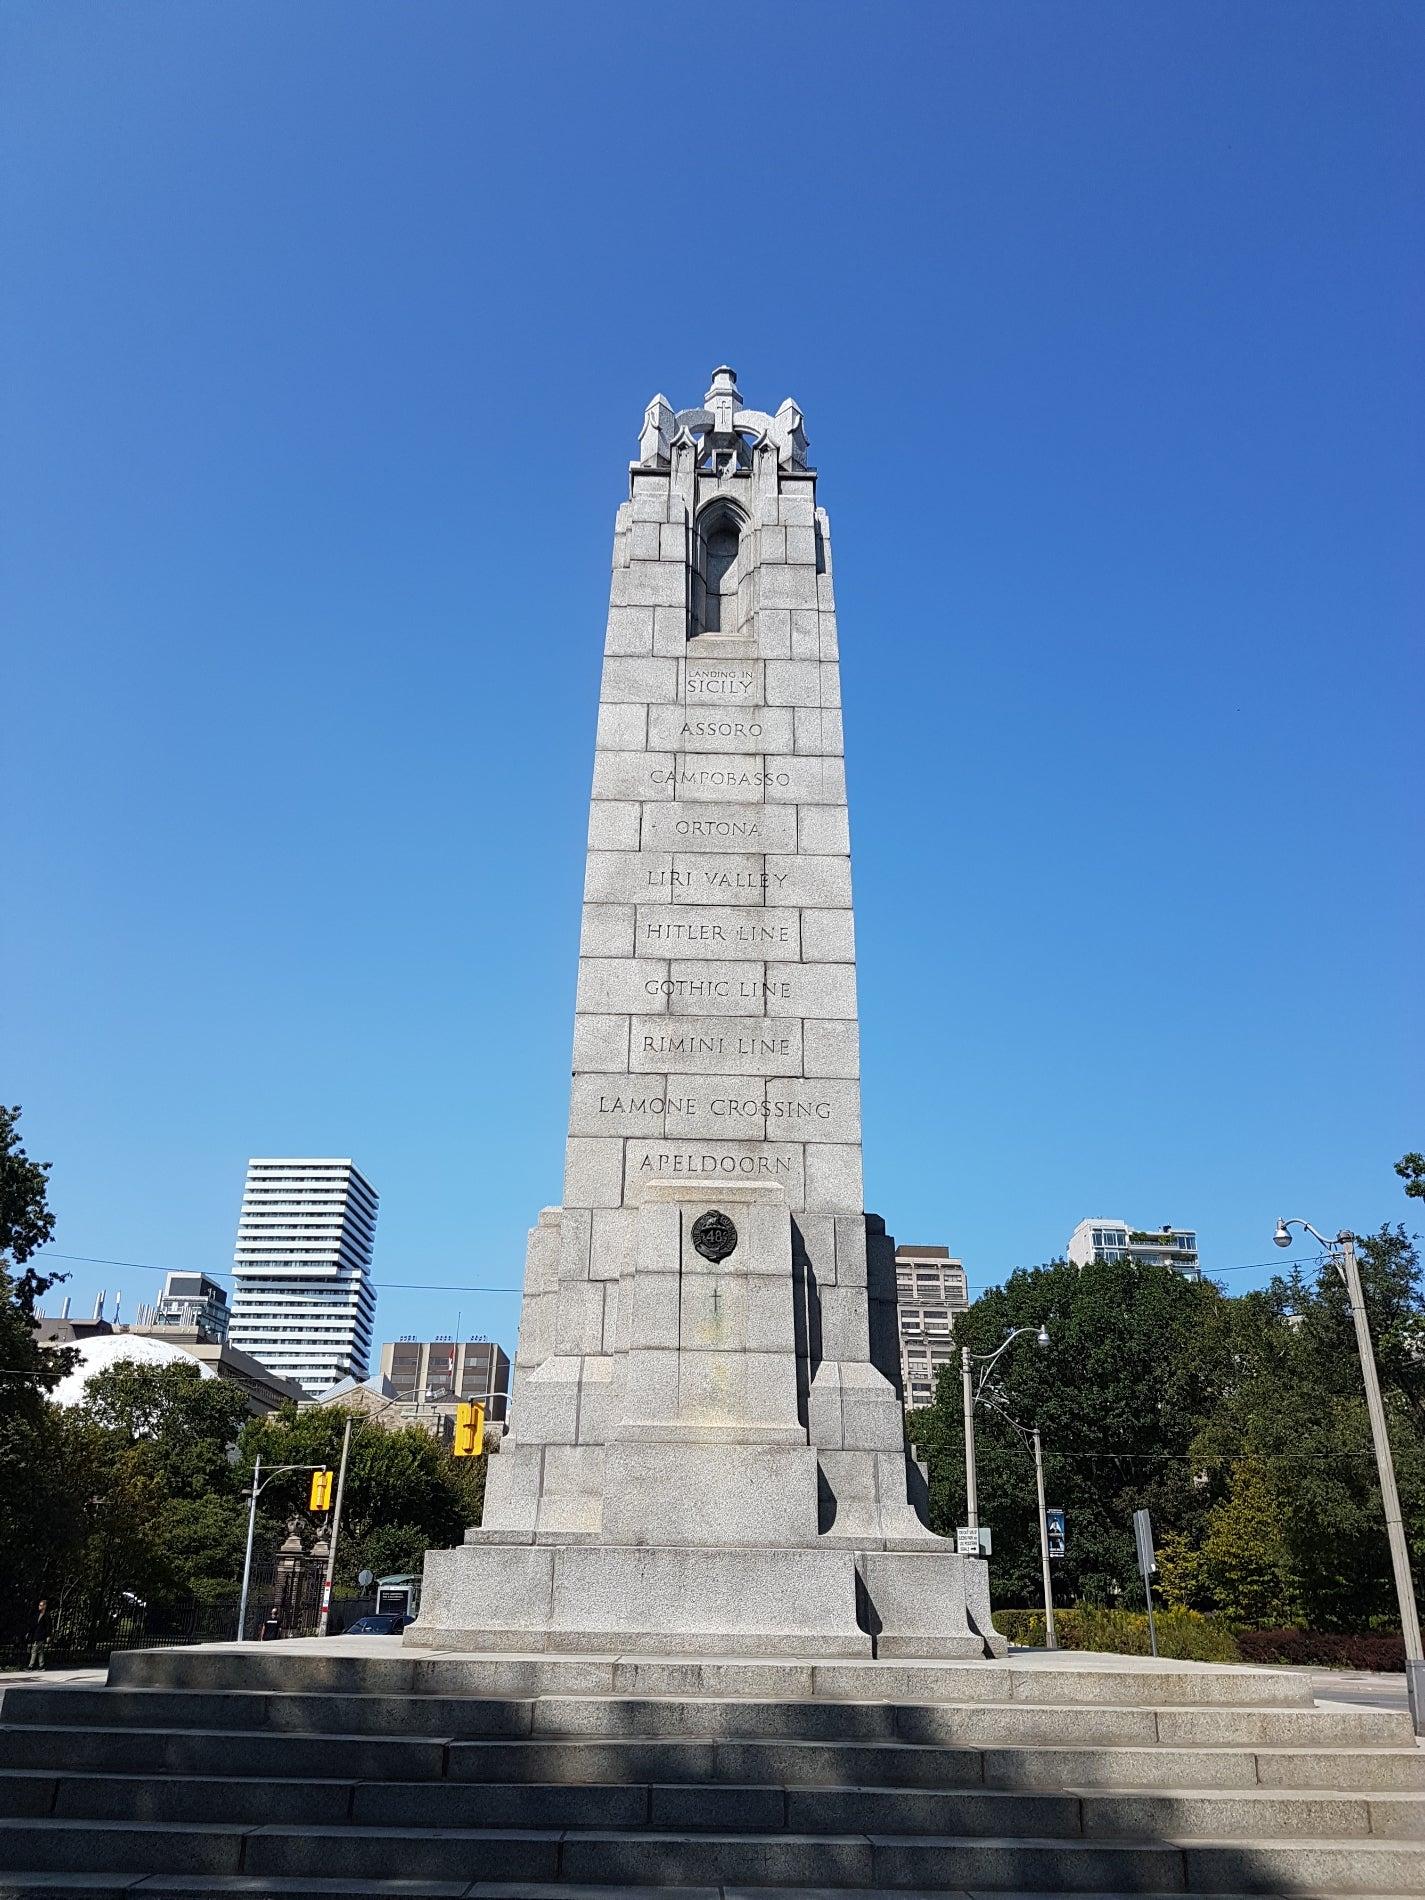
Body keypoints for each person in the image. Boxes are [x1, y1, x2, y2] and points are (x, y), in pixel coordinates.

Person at [26, 1600, 52, 1671]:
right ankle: (41, 1666)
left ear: (45, 1606)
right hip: (36, 1634)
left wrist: (48, 1636)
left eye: (41, 1605)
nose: (39, 1606)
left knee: (34, 1650)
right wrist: (29, 1632)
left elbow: (49, 1626)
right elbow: (33, 1625)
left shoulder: (47, 1615)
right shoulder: (37, 1614)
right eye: (39, 1605)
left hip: (41, 1635)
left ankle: (30, 1666)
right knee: (40, 1651)